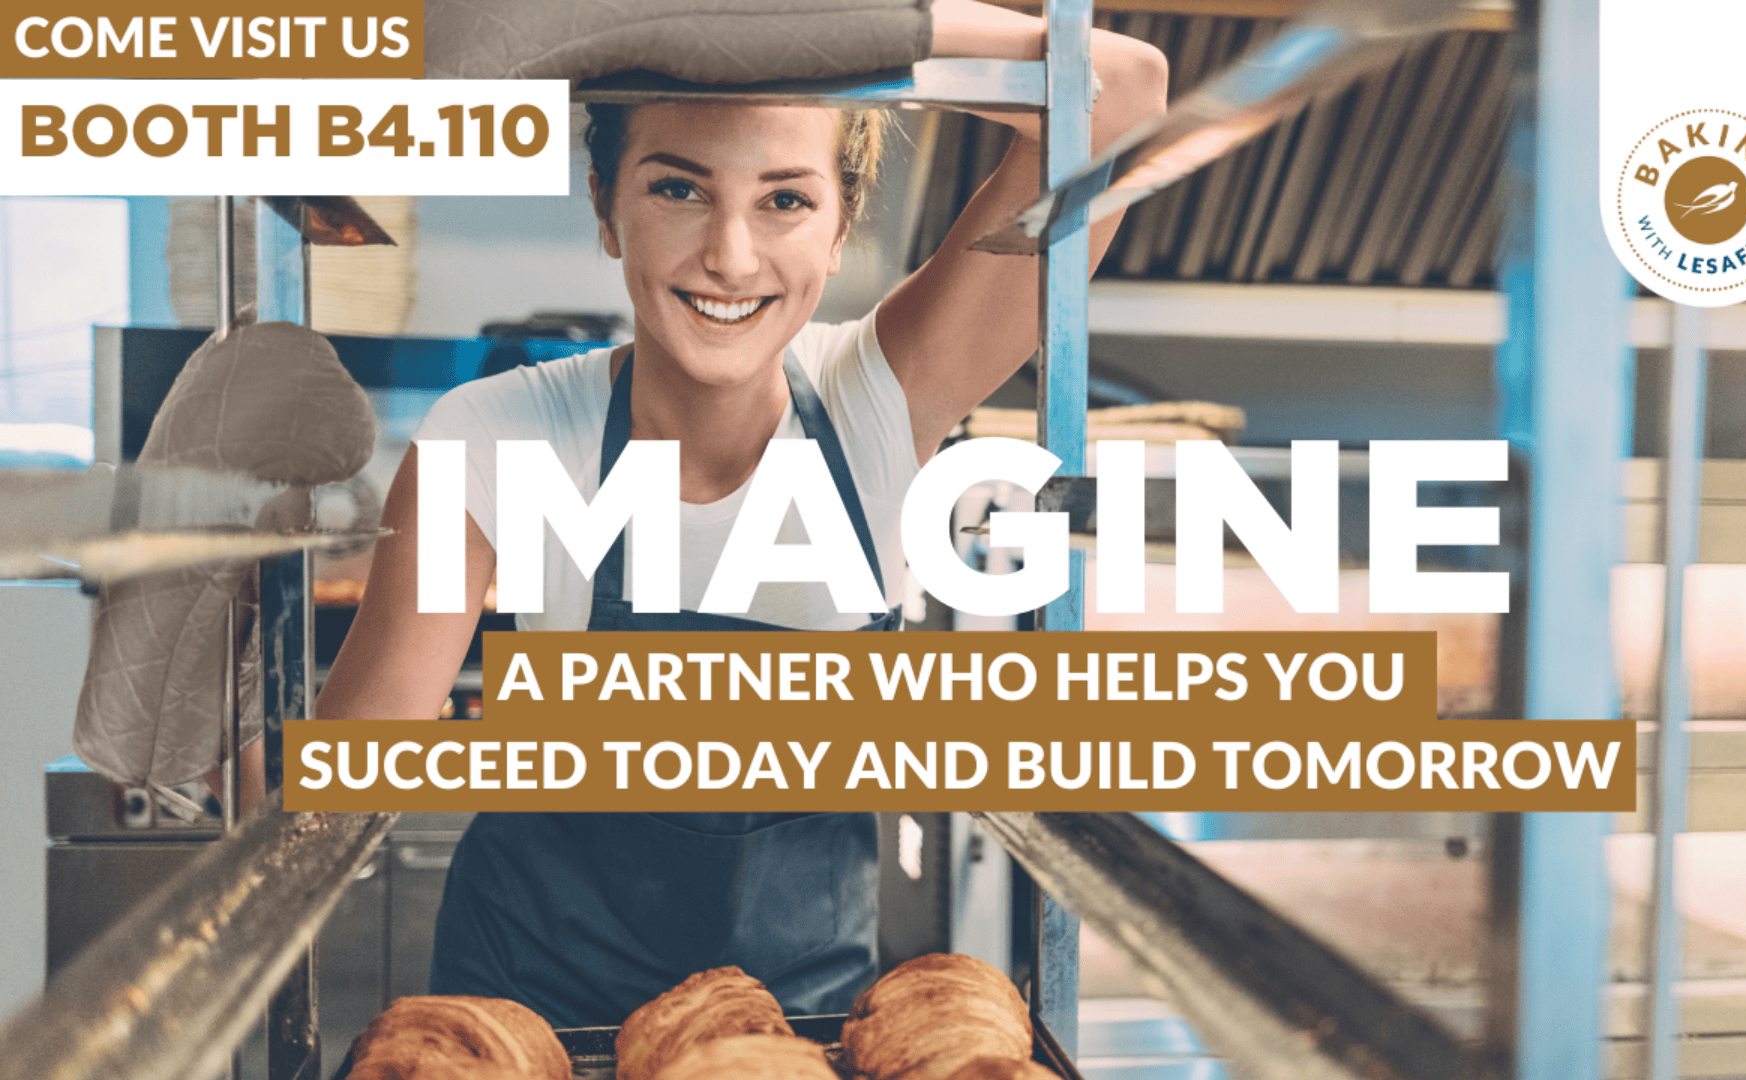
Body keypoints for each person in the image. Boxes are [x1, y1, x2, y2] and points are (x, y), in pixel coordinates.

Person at [314, 0, 1167, 1028]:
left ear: (843, 223)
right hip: (531, 1022)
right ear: (604, 202)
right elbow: (348, 786)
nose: (729, 255)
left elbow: (1121, 92)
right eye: (679, 187)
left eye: (786, 200)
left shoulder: (879, 399)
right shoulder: (495, 436)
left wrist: (785, 27)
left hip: (792, 1032)